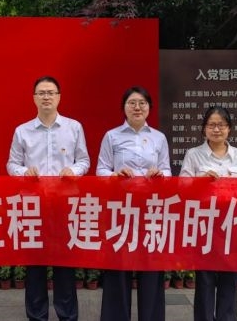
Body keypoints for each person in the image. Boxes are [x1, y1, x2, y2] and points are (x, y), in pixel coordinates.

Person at [6, 76, 90, 321]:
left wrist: (72, 170)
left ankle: (67, 315)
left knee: (65, 264)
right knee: (35, 266)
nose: (46, 97)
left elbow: (84, 160)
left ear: (59, 97)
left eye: (50, 92)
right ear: (34, 98)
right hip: (34, 205)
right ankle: (37, 315)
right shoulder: (22, 131)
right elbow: (12, 164)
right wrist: (24, 172)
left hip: (64, 204)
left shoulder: (74, 127)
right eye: (41, 93)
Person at [97, 86, 171, 321]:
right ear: (124, 107)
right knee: (119, 266)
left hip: (151, 210)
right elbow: (101, 170)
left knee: (151, 266)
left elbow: (168, 170)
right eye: (132, 103)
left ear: (149, 107)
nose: (137, 107)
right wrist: (115, 175)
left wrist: (160, 175)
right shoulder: (112, 136)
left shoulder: (159, 138)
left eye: (142, 103)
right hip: (121, 209)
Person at [179, 105, 237, 321]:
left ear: (229, 128)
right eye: (211, 125)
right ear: (204, 129)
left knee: (230, 278)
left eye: (221, 125)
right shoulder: (193, 154)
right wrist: (199, 181)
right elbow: (182, 186)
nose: (216, 129)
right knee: (205, 278)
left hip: (232, 224)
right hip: (205, 224)